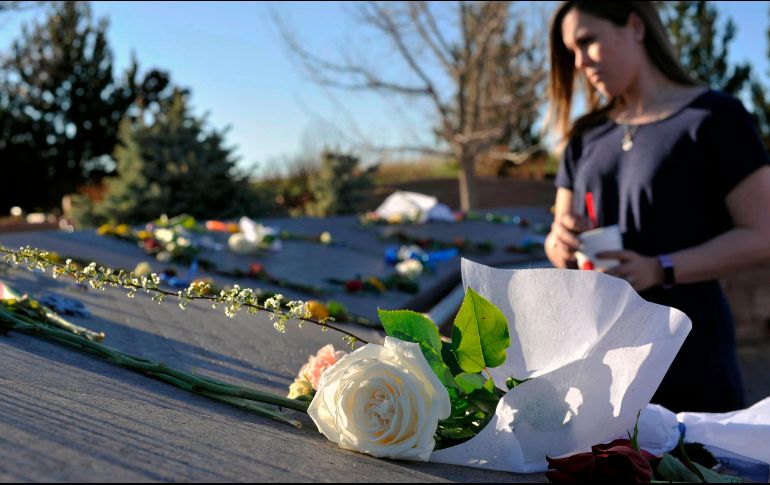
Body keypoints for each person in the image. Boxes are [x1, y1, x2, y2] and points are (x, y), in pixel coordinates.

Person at [544, 1, 770, 413]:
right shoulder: (585, 136)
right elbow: (558, 237)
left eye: (587, 41)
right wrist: (559, 242)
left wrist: (660, 267)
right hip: (596, 364)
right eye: (570, 52)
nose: (578, 62)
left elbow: (762, 234)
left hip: (691, 362)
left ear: (634, 26)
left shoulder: (716, 117)